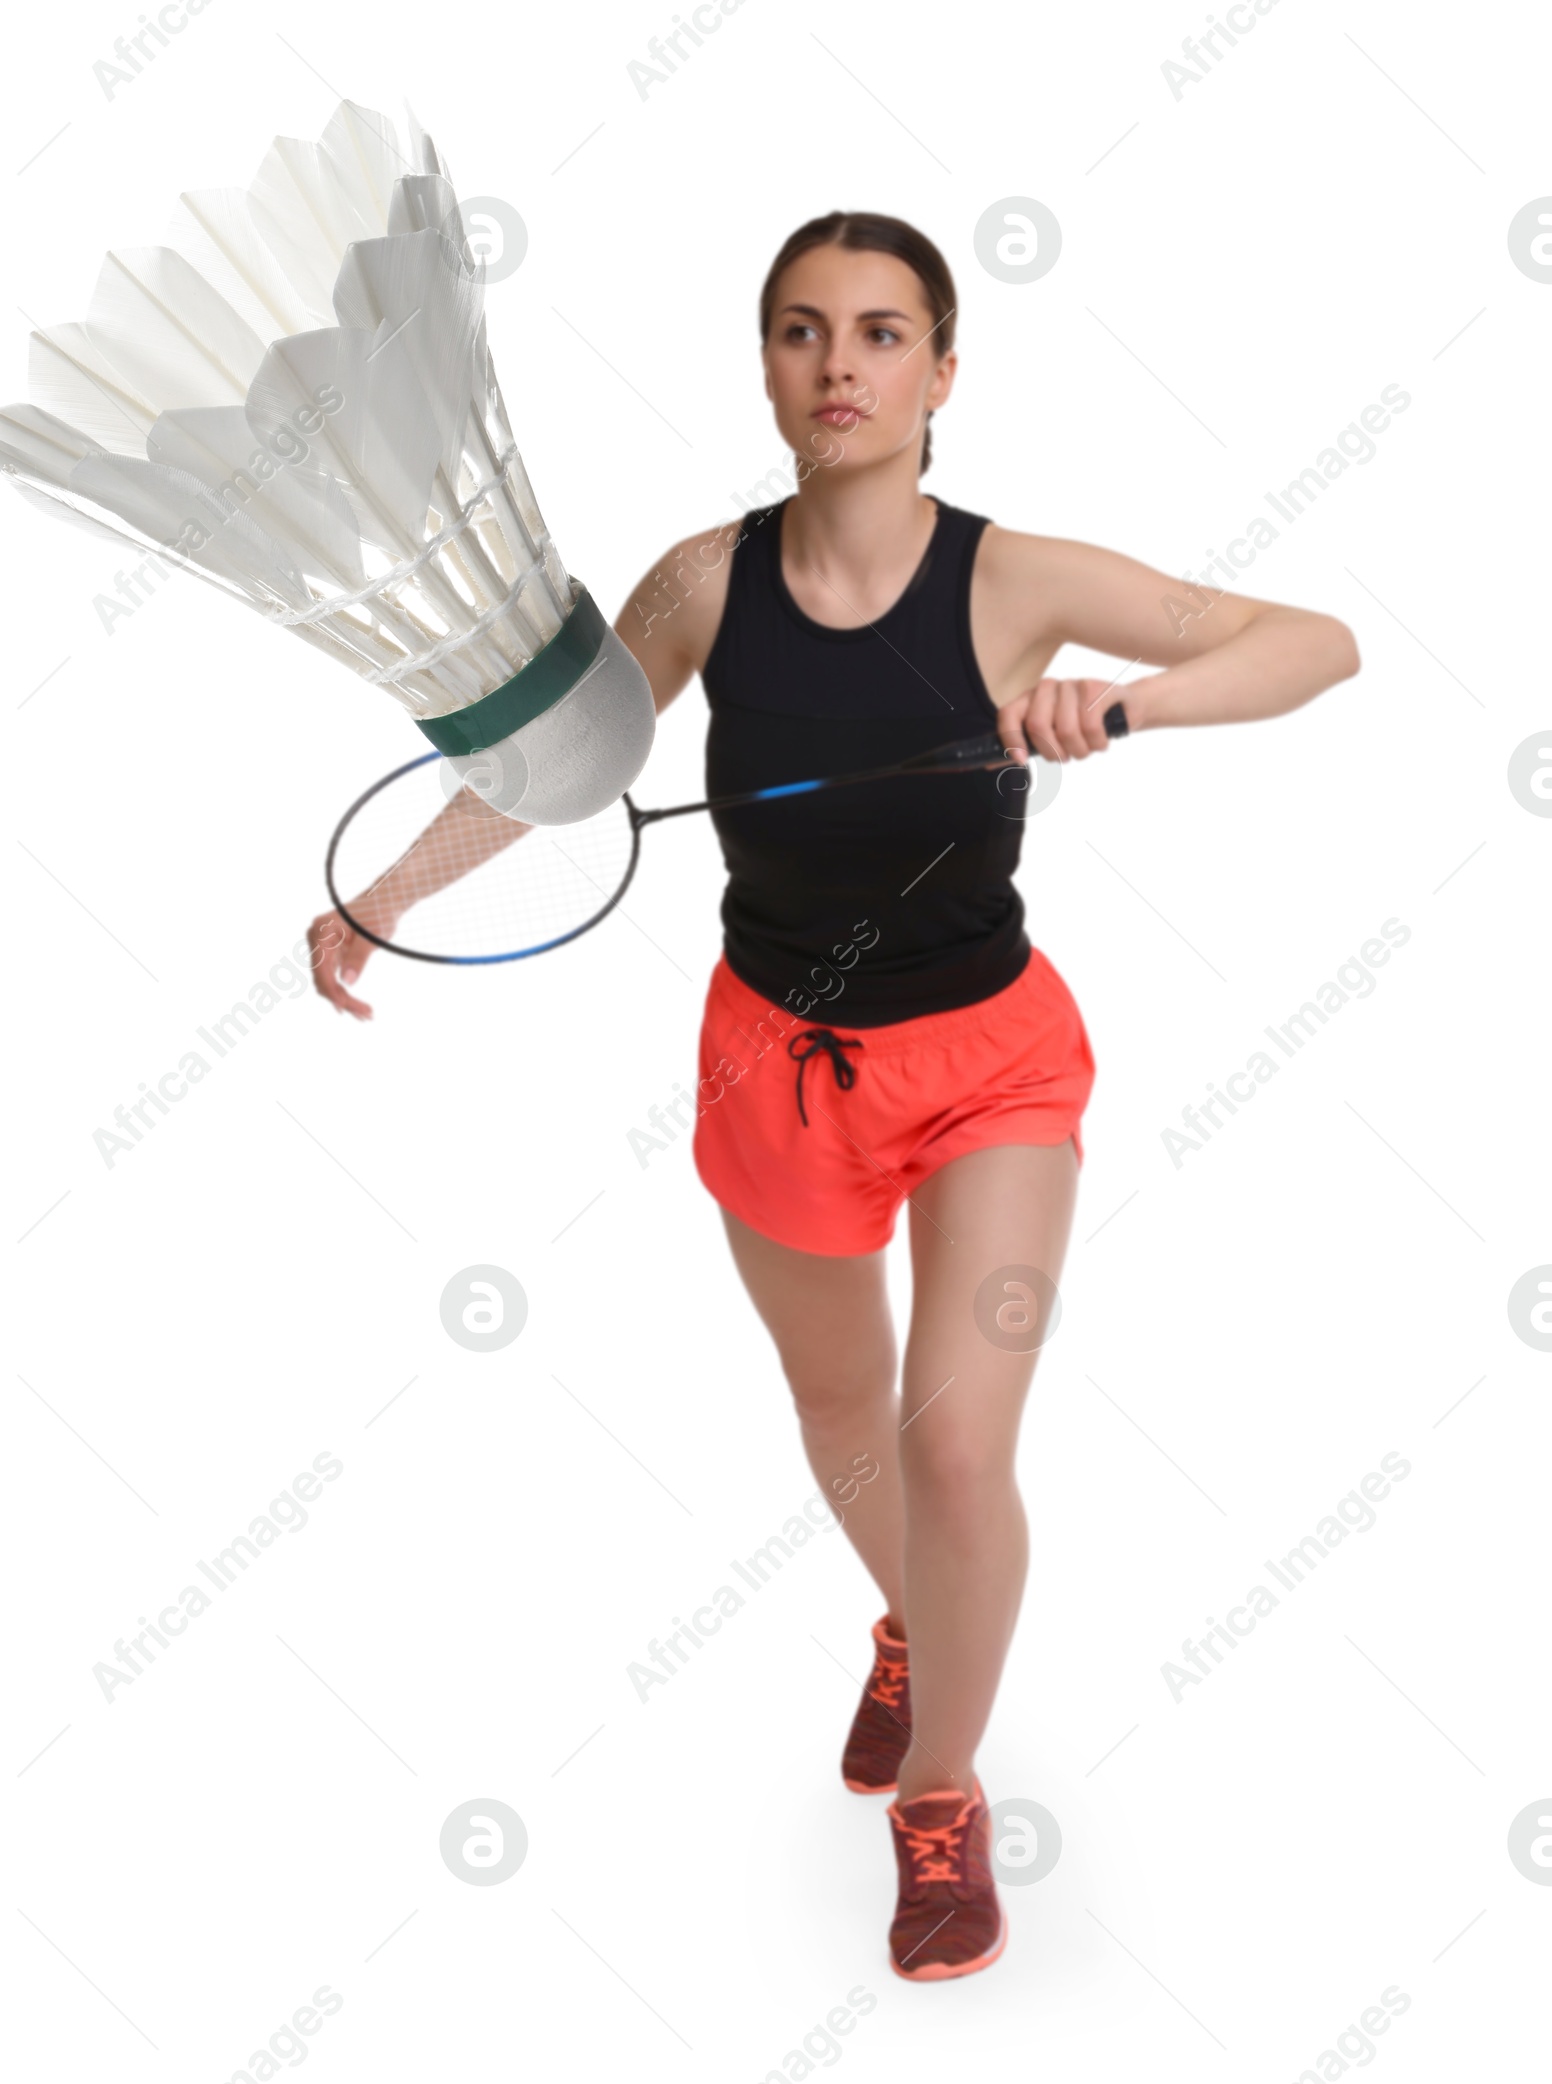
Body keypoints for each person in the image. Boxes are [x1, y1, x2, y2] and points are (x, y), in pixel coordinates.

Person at [308, 210, 1359, 1981]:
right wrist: (392, 891)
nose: (840, 366)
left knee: (956, 1445)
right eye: (804, 332)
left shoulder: (1015, 579)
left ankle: (940, 1791)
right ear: (771, 367)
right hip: (771, 1057)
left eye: (882, 334)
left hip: (989, 1059)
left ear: (943, 371)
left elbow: (1312, 640)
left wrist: (1136, 701)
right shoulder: (700, 584)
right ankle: (913, 1624)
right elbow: (558, 778)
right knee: (844, 1420)